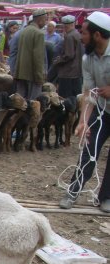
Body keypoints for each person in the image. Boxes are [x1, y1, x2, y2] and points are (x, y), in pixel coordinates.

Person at [59, 12, 110, 213]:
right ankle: (72, 191)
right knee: (89, 150)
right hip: (103, 112)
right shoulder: (88, 58)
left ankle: (106, 198)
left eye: (84, 33)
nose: (82, 37)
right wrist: (83, 121)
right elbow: (88, 93)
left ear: (97, 35)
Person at [14, 9, 47, 100]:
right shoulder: (39, 34)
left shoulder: (24, 31)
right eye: (45, 20)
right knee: (33, 103)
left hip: (21, 72)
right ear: (40, 20)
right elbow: (38, 58)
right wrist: (39, 77)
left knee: (20, 103)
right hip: (32, 74)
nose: (45, 22)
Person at [52, 15, 83, 98]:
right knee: (75, 98)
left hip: (68, 73)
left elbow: (69, 55)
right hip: (77, 72)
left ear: (65, 25)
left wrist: (58, 60)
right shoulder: (77, 34)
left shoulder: (69, 36)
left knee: (65, 99)